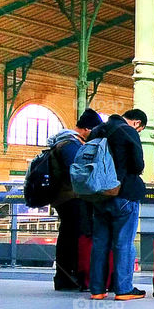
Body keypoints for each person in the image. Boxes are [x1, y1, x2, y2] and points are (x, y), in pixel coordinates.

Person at [87, 109, 148, 301]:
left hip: (99, 195)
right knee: (124, 243)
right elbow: (138, 166)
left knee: (100, 243)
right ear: (137, 123)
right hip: (124, 194)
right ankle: (123, 289)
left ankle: (97, 290)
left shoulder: (97, 130)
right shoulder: (128, 131)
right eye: (140, 130)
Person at [48, 108, 103, 291]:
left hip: (65, 197)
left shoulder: (66, 142)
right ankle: (66, 278)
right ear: (87, 129)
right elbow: (77, 171)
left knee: (69, 235)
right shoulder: (70, 144)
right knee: (71, 236)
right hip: (70, 197)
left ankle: (66, 277)